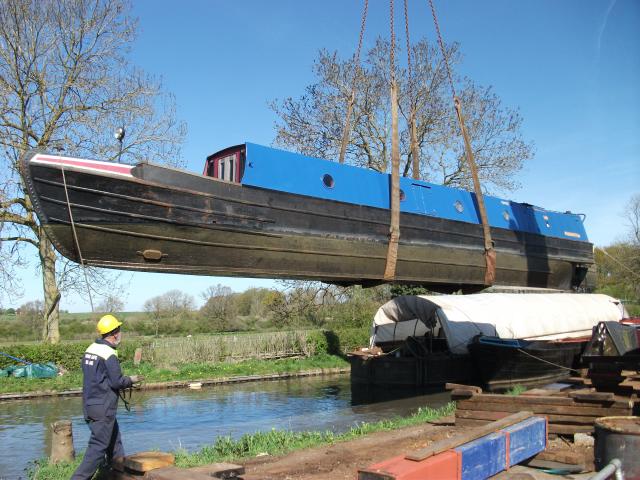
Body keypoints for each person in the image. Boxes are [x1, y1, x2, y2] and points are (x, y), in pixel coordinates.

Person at [71, 314, 142, 480]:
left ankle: (119, 474)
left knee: (114, 442)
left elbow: (98, 378)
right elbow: (116, 382)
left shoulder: (90, 349)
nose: (120, 333)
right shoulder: (109, 353)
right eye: (119, 330)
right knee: (98, 447)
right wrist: (131, 380)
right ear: (115, 333)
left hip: (90, 405)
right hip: (103, 407)